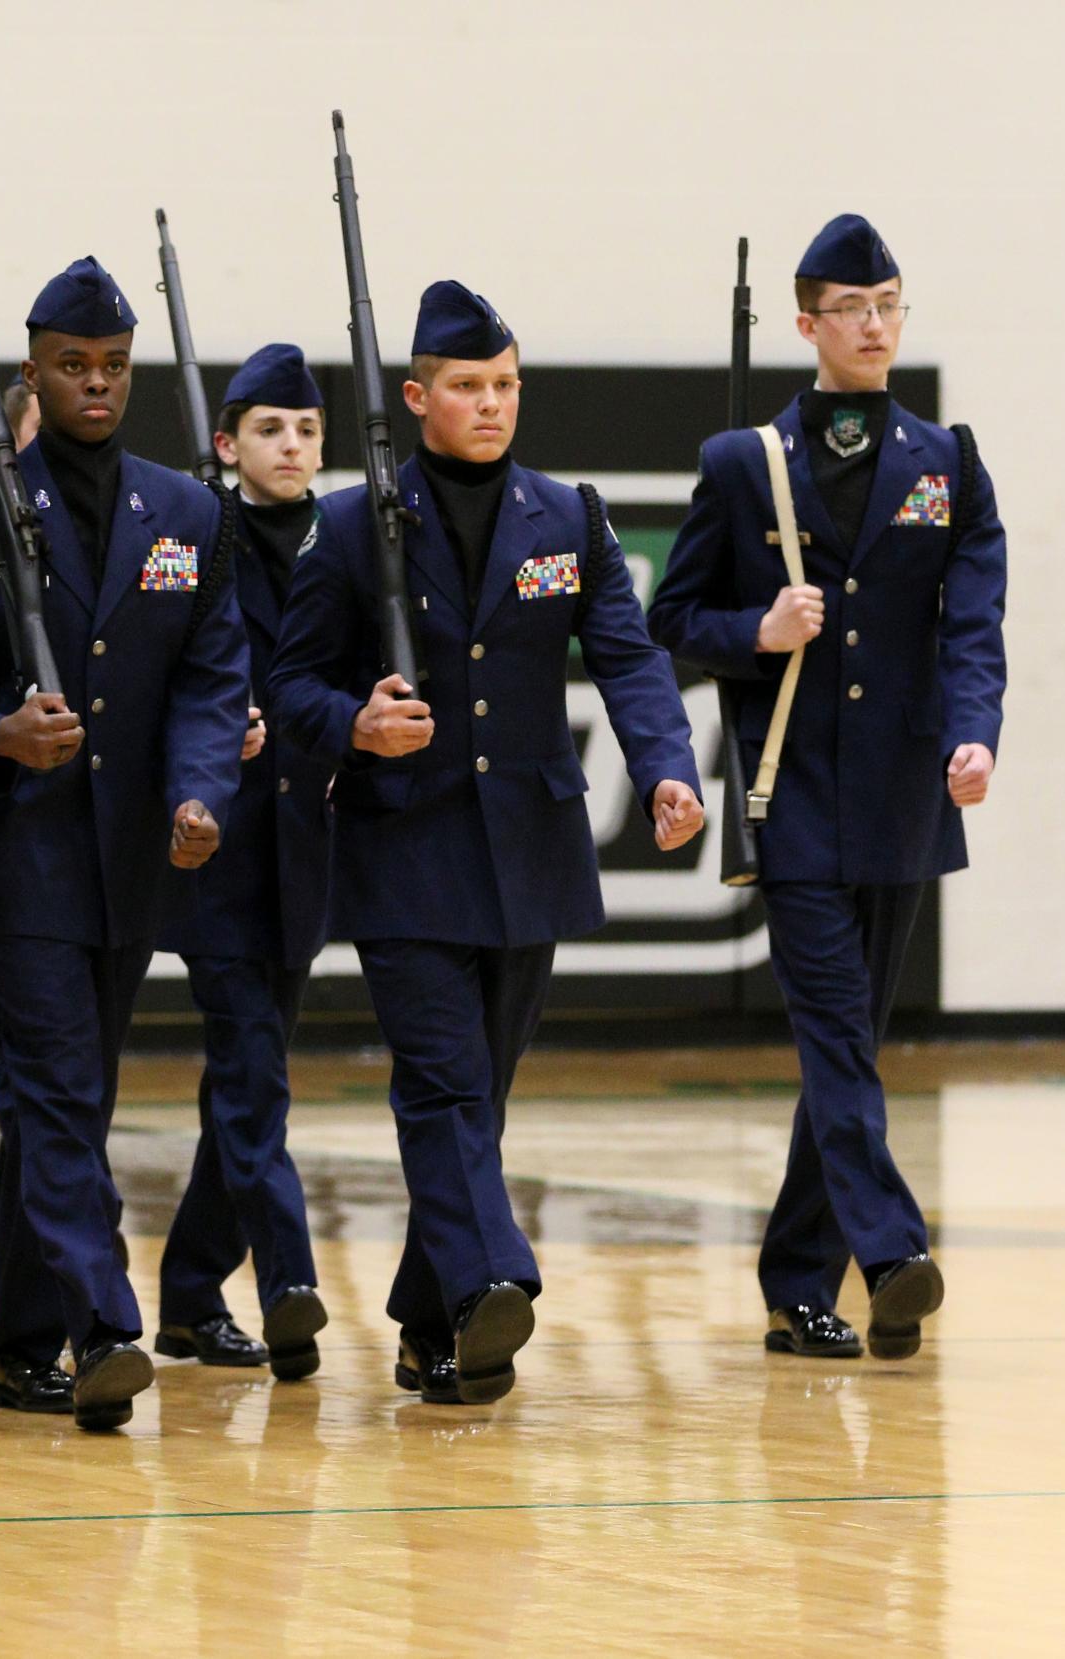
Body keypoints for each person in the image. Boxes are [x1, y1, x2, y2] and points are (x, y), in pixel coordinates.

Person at [267, 281, 704, 1406]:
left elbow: (631, 657)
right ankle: (491, 1280)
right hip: (403, 848)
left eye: (506, 385)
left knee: (484, 1099)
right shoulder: (357, 523)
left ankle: (430, 1321)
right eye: (467, 386)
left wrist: (665, 768)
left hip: (529, 847)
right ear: (418, 398)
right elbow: (290, 680)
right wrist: (353, 721)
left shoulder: (570, 517)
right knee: (446, 1086)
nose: (492, 404)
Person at [649, 214, 1005, 1363]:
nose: (874, 325)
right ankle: (892, 1253)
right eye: (851, 308)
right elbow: (670, 618)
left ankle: (798, 1287)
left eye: (889, 303)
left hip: (904, 794)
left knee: (842, 1042)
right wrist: (755, 631)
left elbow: (976, 625)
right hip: (787, 793)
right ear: (807, 324)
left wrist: (976, 736)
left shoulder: (945, 462)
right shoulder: (739, 462)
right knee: (839, 1038)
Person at [0, 256, 250, 1431]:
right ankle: (107, 1323)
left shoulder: (188, 511)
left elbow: (212, 674)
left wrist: (203, 792)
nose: (94, 385)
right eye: (71, 366)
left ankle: (17, 1346)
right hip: (22, 860)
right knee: (57, 1101)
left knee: (67, 1110)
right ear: (35, 373)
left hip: (133, 865)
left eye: (111, 367)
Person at [153, 344, 332, 1380]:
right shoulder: (197, 534)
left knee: (248, 1076)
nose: (292, 447)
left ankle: (186, 1292)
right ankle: (288, 1277)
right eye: (270, 430)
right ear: (227, 445)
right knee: (252, 1072)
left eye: (307, 430)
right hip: (215, 843)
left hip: (303, 844)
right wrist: (219, 733)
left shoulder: (345, 538)